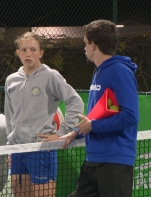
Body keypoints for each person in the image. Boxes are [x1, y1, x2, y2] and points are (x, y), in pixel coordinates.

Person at [61, 20, 139, 197]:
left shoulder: (120, 71)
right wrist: (77, 132)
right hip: (93, 160)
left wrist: (93, 127)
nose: (85, 48)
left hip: (115, 163)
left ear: (93, 45)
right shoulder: (99, 71)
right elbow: (98, 115)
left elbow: (130, 116)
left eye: (85, 43)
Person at [4, 32, 84, 197]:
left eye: (33, 49)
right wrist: (9, 147)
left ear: (41, 53)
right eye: (24, 49)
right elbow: (9, 116)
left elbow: (76, 102)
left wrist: (61, 134)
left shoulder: (51, 76)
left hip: (42, 150)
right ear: (18, 52)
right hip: (17, 150)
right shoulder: (11, 80)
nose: (28, 53)